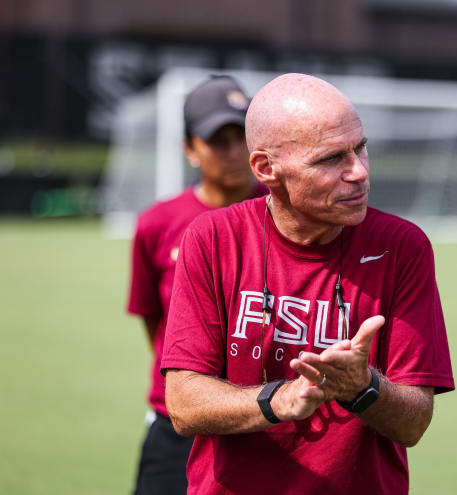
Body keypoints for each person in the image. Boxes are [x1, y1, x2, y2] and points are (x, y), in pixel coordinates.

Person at [161, 73, 454, 494]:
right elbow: (184, 405)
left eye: (361, 148)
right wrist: (279, 400)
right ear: (266, 169)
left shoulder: (403, 248)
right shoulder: (211, 238)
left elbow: (414, 422)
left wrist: (362, 386)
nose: (358, 172)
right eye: (331, 159)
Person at [127, 75, 267, 495]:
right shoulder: (157, 224)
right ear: (190, 148)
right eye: (217, 140)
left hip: (265, 414)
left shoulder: (288, 215)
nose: (234, 152)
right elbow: (155, 318)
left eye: (241, 136)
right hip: (178, 424)